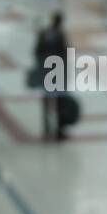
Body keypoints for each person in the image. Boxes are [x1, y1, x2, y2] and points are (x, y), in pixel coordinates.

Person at [33, 12, 69, 141]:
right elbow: (65, 54)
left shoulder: (44, 34)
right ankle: (58, 131)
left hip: (46, 72)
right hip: (57, 73)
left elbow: (37, 52)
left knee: (46, 102)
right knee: (59, 103)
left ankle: (47, 130)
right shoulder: (60, 35)